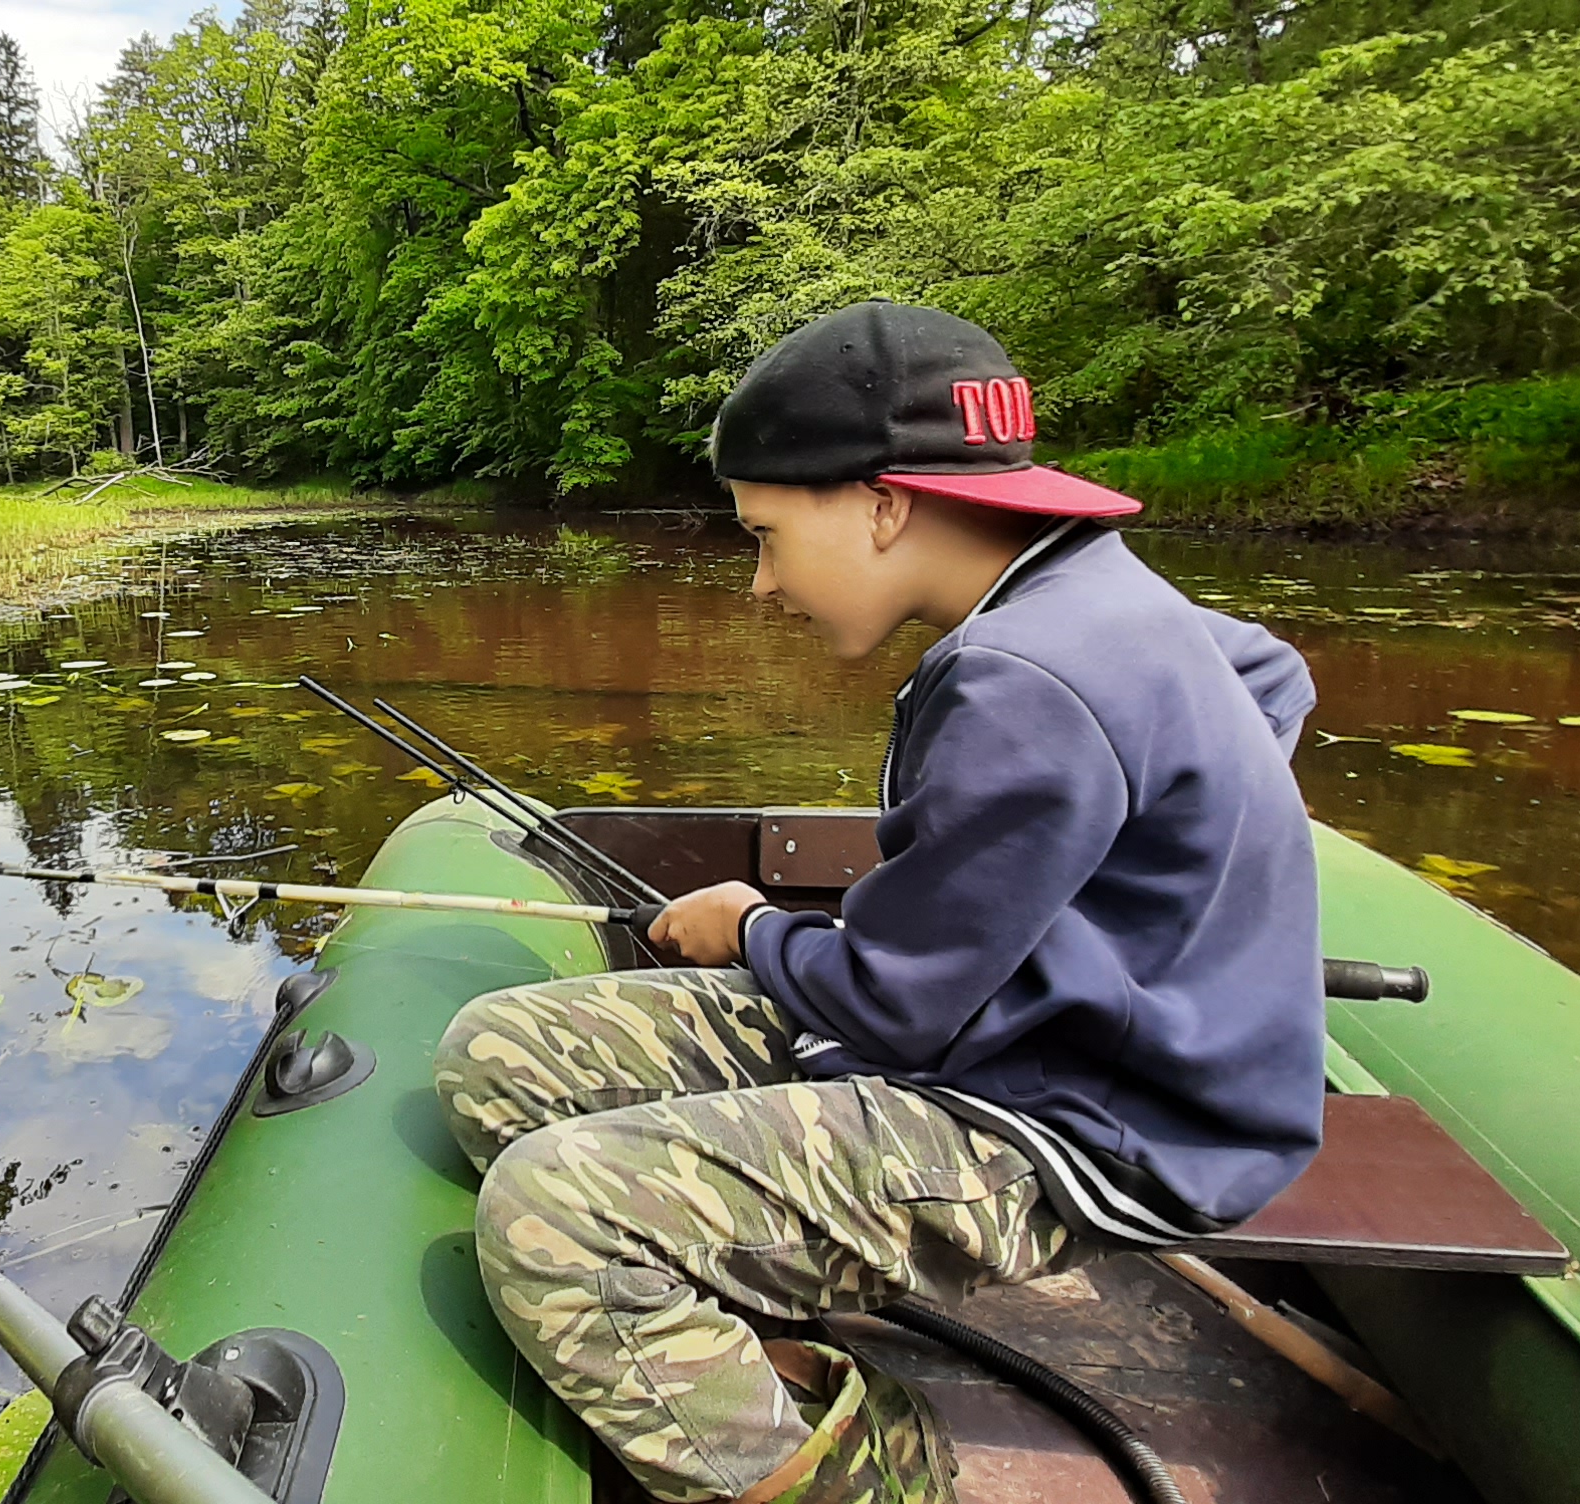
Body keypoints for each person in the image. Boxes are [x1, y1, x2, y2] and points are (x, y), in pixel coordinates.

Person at [433, 302, 1325, 1504]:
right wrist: (1104, 884)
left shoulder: (1024, 674)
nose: (760, 586)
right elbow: (1273, 674)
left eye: (766, 535)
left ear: (884, 504)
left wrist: (749, 926)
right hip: (1003, 1044)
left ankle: (873, 1475)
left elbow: (895, 1004)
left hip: (1070, 1131)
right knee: (500, 1054)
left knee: (553, 1209)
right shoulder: (1089, 591)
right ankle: (753, 1312)